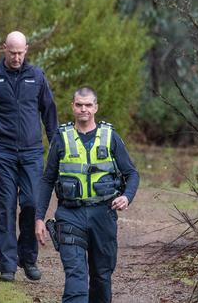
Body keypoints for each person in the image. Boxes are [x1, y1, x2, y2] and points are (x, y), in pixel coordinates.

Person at [35, 86, 140, 303]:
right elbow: (47, 180)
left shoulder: (110, 136)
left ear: (96, 107)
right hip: (69, 214)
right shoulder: (61, 138)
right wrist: (38, 218)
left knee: (102, 276)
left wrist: (126, 196)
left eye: (89, 105)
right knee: (76, 276)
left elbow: (132, 174)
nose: (84, 109)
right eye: (80, 105)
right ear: (73, 107)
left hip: (104, 214)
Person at [0, 31, 58, 282]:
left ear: (26, 50)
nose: (17, 57)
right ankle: (7, 265)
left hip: (31, 153)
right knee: (5, 207)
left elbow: (49, 113)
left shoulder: (37, 76)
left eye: (21, 52)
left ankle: (27, 258)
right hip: (2, 153)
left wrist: (56, 147)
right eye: (12, 52)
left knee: (31, 203)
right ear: (4, 49)